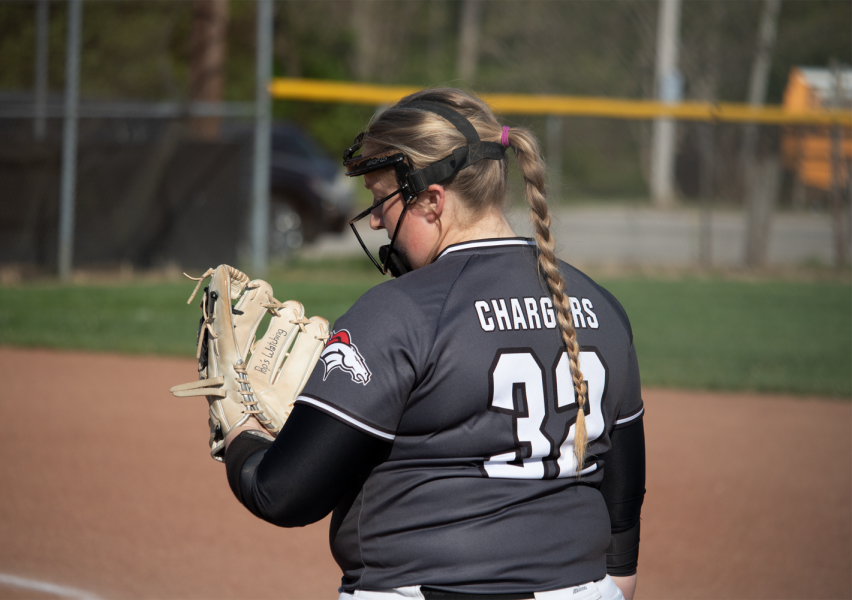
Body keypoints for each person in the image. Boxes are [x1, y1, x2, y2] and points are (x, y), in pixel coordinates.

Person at [223, 89, 645, 600]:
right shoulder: (601, 308)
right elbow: (622, 497)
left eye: (382, 199)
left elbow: (281, 493)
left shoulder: (399, 313)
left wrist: (240, 433)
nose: (375, 219)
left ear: (432, 200)